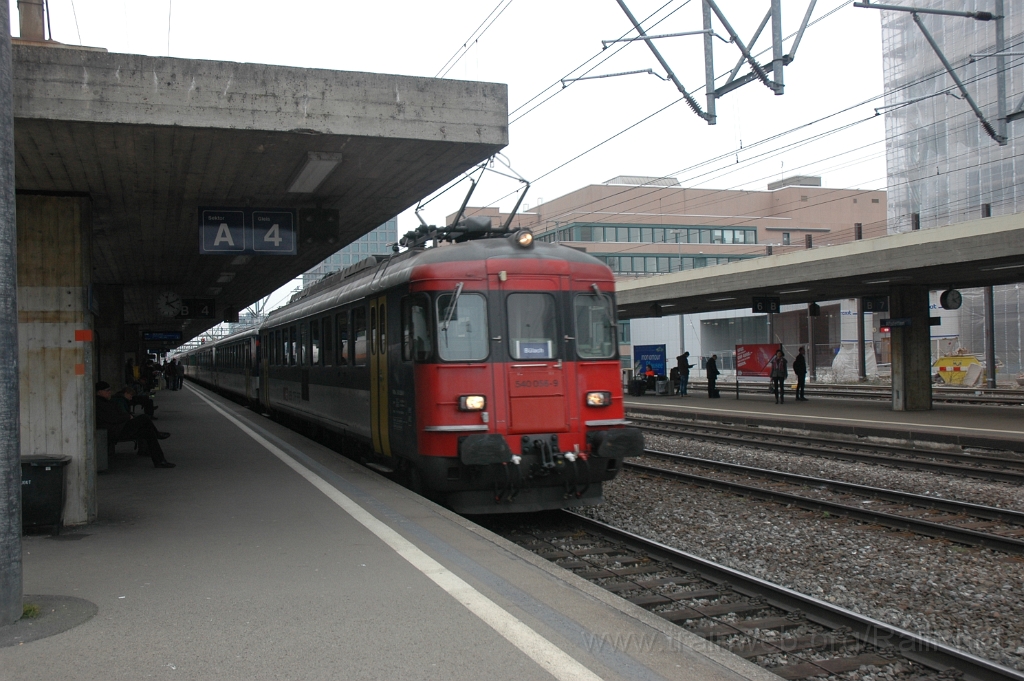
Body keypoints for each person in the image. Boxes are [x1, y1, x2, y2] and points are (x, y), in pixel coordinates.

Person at [96, 381, 175, 468]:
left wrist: (127, 416)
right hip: (114, 430)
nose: (109, 392)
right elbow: (112, 419)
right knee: (144, 418)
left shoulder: (108, 402)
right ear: (99, 392)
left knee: (148, 432)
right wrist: (128, 417)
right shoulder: (99, 404)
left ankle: (160, 461)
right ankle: (158, 435)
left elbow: (117, 415)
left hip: (118, 428)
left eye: (109, 390)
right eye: (107, 390)